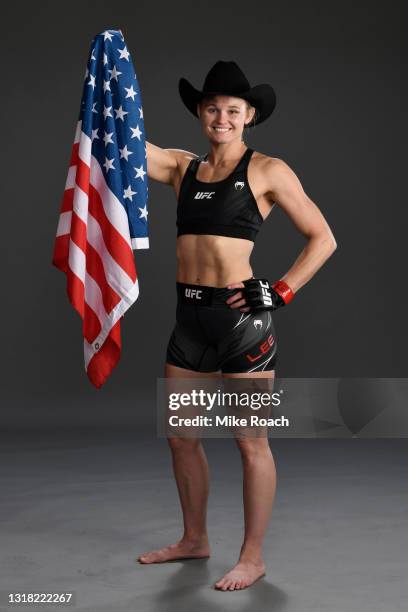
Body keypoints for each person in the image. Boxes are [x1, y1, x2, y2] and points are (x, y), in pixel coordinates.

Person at [137, 60, 337, 590]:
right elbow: (128, 146)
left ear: (249, 116)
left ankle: (252, 556)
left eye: (232, 110)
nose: (221, 118)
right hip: (189, 322)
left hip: (241, 323)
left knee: (252, 443)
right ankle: (194, 540)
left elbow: (323, 237)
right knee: (181, 438)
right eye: (212, 109)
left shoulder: (269, 169)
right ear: (200, 114)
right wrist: (102, 88)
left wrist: (282, 289)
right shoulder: (182, 167)